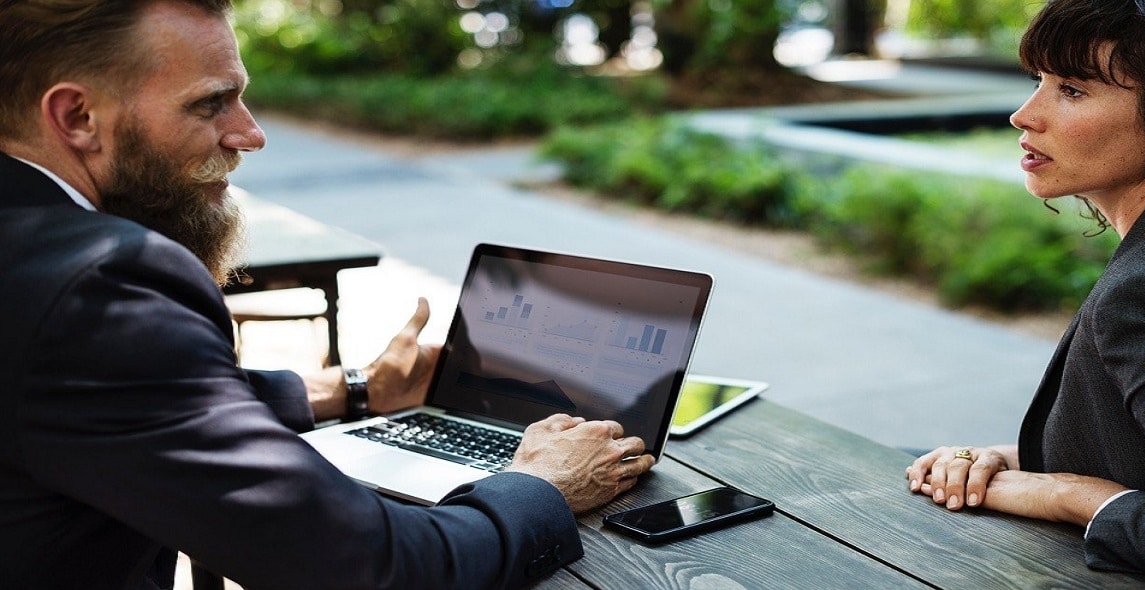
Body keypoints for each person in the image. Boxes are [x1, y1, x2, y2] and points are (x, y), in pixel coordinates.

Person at [0, 1, 656, 588]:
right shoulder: (102, 284)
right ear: (77, 116)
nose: (249, 133)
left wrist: (353, 390)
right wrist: (540, 483)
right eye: (209, 104)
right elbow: (368, 565)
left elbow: (106, 403)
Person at [903, 0, 1145, 586]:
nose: (1023, 115)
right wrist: (1012, 460)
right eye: (1038, 81)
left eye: (1072, 90)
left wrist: (1076, 496)